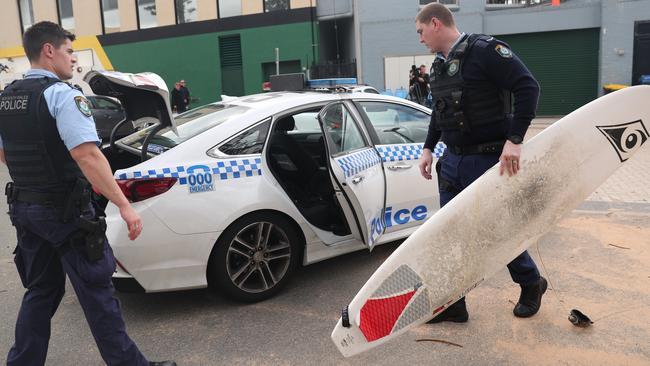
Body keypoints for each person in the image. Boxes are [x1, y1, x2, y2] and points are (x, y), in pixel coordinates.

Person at [0, 21, 175, 366]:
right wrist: (125, 206)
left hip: (26, 209)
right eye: (69, 51)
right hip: (65, 214)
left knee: (41, 290)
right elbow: (88, 155)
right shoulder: (62, 95)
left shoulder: (6, 98)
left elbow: (5, 153)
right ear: (49, 51)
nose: (74, 60)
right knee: (97, 293)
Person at [415, 4, 547, 323]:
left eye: (420, 31)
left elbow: (528, 87)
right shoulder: (437, 67)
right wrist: (428, 148)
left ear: (436, 23)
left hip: (487, 159)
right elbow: (440, 111)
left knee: (496, 230)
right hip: (452, 161)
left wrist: (515, 140)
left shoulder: (486, 51)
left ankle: (531, 283)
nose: (420, 39)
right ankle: (454, 304)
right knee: (451, 233)